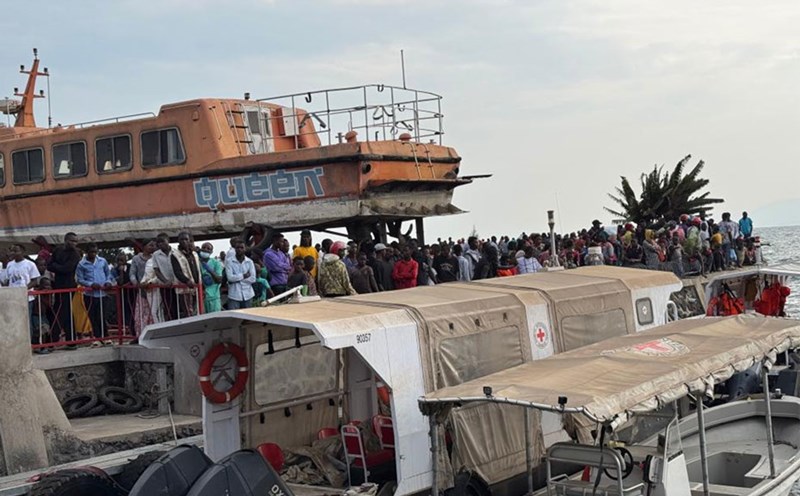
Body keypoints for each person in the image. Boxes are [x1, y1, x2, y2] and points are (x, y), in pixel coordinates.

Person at [47, 232, 81, 344]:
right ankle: (70, 338)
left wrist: (57, 267)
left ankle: (54, 338)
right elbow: (49, 265)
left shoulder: (76, 254)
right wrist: (58, 267)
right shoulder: (58, 250)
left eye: (76, 241)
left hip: (69, 286)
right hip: (57, 285)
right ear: (66, 240)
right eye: (72, 241)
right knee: (64, 311)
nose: (74, 243)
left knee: (62, 311)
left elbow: (67, 269)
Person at [76, 243, 115, 339]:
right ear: (87, 252)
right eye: (91, 252)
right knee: (93, 317)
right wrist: (90, 284)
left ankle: (105, 337)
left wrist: (108, 282)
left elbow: (108, 273)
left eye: (95, 252)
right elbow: (80, 279)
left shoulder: (102, 261)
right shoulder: (81, 264)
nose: (93, 254)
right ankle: (97, 337)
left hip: (103, 293)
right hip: (90, 295)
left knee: (102, 316)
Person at [6, 244, 41, 347]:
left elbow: (35, 280)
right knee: (14, 322)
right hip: (13, 298)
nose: (13, 253)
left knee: (26, 321)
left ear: (22, 252)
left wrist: (25, 288)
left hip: (26, 298)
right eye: (12, 251)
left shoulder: (30, 264)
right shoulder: (9, 265)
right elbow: (9, 280)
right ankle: (17, 344)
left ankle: (28, 344)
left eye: (16, 251)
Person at [130, 238, 159, 335]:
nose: (153, 247)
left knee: (154, 313)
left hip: (154, 289)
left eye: (154, 245)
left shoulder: (156, 258)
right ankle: (140, 334)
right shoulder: (136, 259)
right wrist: (136, 284)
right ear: (144, 246)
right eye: (150, 245)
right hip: (142, 290)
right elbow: (132, 273)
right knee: (141, 314)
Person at [170, 231, 202, 317]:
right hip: (184, 287)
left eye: (186, 239)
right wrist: (187, 281)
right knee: (188, 312)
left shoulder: (194, 254)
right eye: (182, 239)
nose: (184, 241)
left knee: (197, 310)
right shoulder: (175, 255)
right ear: (179, 241)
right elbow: (177, 271)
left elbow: (198, 269)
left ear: (189, 241)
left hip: (196, 287)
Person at [226, 238, 256, 309]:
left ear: (245, 249)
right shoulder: (229, 261)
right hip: (234, 295)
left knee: (248, 317)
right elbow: (230, 278)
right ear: (235, 249)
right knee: (234, 318)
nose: (239, 249)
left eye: (241, 247)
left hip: (248, 295)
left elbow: (253, 279)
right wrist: (244, 276)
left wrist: (237, 279)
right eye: (237, 248)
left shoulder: (249, 262)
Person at [152, 233, 177, 319]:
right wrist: (165, 281)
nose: (160, 244)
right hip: (164, 285)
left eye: (162, 241)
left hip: (177, 284)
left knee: (178, 306)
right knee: (168, 308)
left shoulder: (176, 252)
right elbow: (156, 270)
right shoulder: (155, 255)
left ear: (168, 241)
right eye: (158, 242)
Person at [199, 242, 224, 313]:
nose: (205, 250)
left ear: (211, 252)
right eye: (203, 248)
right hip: (202, 297)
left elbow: (219, 279)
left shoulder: (216, 263)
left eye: (208, 249)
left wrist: (209, 270)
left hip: (214, 297)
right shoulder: (197, 262)